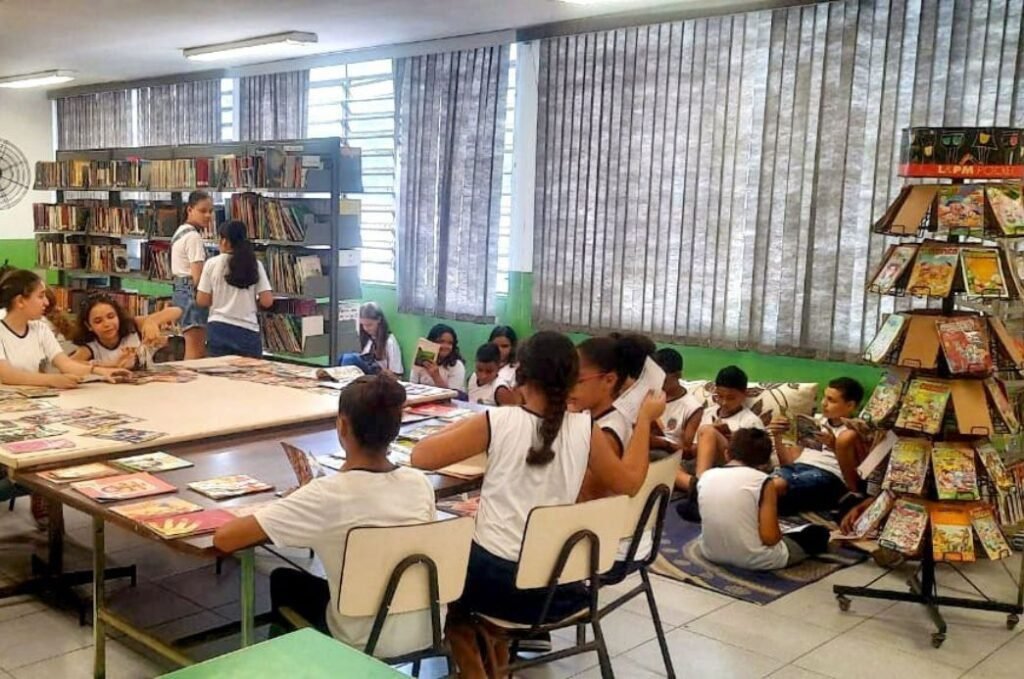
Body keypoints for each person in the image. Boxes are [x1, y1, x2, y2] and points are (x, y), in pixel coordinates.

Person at [410, 331, 665, 678]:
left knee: (449, 582)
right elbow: (631, 482)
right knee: (476, 598)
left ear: (519, 376)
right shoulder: (586, 430)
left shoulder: (497, 422)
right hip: (562, 587)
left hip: (498, 584)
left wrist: (471, 428)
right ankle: (495, 667)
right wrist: (646, 420)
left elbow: (420, 455)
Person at [213, 375, 436, 657]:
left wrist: (296, 501)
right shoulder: (419, 483)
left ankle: (300, 666)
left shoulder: (326, 495)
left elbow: (225, 539)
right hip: (427, 629)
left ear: (342, 426)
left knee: (285, 580)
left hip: (360, 639)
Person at [697, 428, 829, 571]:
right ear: (766, 462)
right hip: (756, 559)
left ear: (727, 453)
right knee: (818, 534)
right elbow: (770, 538)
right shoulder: (763, 481)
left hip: (710, 552)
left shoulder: (706, 476)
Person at [0, 270, 130, 388]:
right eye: (40, 296)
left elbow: (65, 364)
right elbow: (7, 375)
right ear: (20, 301)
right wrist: (52, 380)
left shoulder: (40, 329)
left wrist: (100, 372)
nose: (46, 302)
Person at [768, 377, 868, 515]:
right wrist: (778, 435)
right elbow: (787, 462)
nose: (824, 403)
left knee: (772, 488)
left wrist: (833, 445)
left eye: (831, 400)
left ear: (850, 405)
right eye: (824, 397)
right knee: (759, 486)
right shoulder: (815, 421)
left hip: (828, 476)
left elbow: (856, 477)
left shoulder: (854, 432)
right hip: (796, 469)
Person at [676, 365, 763, 492]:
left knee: (708, 431)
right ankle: (700, 488)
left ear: (745, 394)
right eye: (719, 396)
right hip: (702, 464)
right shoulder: (707, 413)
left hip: (729, 467)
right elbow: (694, 451)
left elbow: (757, 460)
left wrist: (730, 437)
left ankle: (700, 486)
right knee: (669, 471)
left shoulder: (751, 421)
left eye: (731, 398)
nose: (724, 402)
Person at [195, 220, 273, 359]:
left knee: (219, 377)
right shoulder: (255, 264)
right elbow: (267, 301)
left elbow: (202, 300)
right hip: (247, 330)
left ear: (225, 241)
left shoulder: (212, 264)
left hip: (218, 327)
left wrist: (219, 297)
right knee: (250, 378)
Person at [69, 294, 182, 369]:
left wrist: (151, 322)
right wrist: (111, 365)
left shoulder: (132, 326)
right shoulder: (90, 348)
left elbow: (176, 311)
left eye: (111, 316)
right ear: (89, 326)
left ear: (118, 316)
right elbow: (67, 365)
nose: (107, 324)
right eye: (98, 321)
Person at [652, 348, 704, 483]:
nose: (658, 383)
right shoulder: (651, 395)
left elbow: (688, 451)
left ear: (678, 375)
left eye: (663, 379)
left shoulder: (692, 408)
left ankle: (688, 483)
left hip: (670, 455)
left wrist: (663, 443)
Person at [171, 191, 213, 359]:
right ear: (190, 209)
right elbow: (198, 277)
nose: (208, 215)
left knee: (191, 345)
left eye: (210, 211)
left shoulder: (180, 232)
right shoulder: (194, 237)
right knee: (196, 350)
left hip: (180, 290)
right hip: (191, 292)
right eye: (203, 211)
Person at [340, 302, 403, 377]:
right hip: (364, 376)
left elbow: (397, 375)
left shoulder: (389, 341)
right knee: (341, 357)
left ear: (379, 320)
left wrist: (379, 370)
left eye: (369, 325)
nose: (366, 328)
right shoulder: (367, 339)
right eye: (363, 325)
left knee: (349, 358)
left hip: (380, 378)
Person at [409, 323, 466, 392]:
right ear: (431, 342)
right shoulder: (422, 360)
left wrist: (436, 376)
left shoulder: (456, 365)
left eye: (450, 343)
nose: (445, 346)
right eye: (441, 341)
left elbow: (452, 396)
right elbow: (412, 387)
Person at [489, 325, 521, 405]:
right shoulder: (483, 365)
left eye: (504, 346)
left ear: (513, 347)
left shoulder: (517, 370)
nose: (499, 350)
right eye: (495, 346)